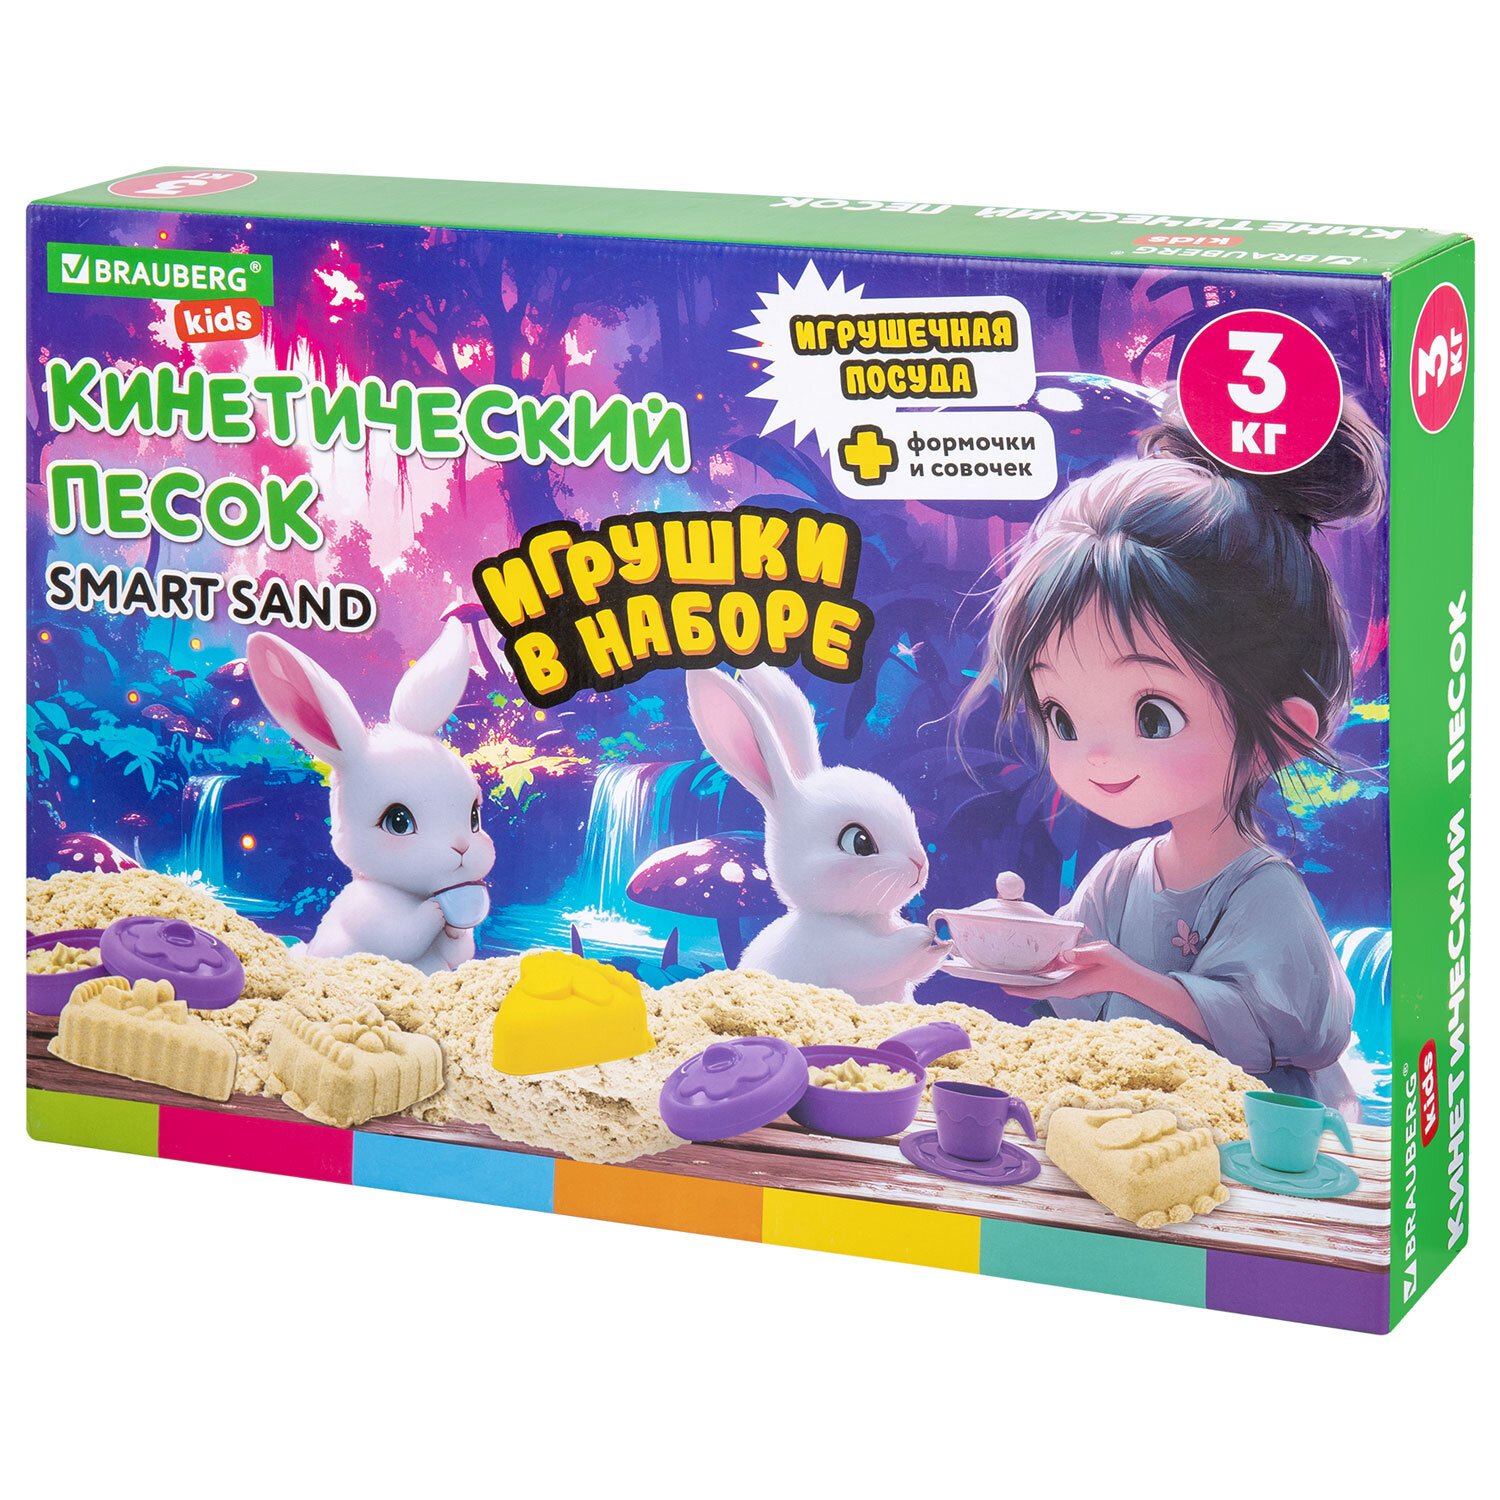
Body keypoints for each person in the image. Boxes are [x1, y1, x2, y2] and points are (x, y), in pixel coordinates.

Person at [957, 390, 1386, 1113]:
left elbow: (1293, 1034)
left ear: (1283, 731)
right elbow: (1073, 986)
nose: (1097, 755)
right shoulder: (1118, 878)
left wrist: (1126, 976)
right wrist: (1015, 942)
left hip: (1260, 1143)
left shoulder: (1262, 890)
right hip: (1136, 1127)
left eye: (1152, 716)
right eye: (1061, 715)